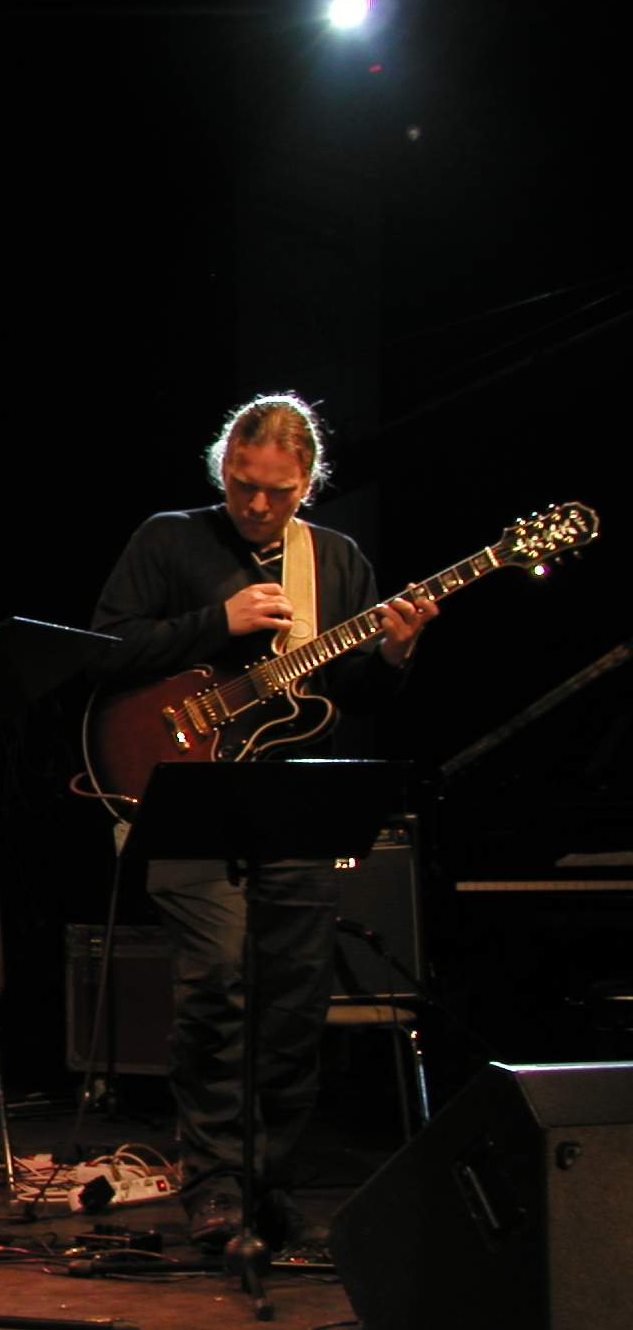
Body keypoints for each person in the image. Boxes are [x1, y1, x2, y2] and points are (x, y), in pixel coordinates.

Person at [90, 393, 435, 1249]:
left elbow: (353, 694)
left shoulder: (337, 561)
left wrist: (395, 651)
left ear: (308, 483)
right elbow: (107, 650)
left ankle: (264, 1181)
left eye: (277, 492)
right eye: (242, 483)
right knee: (217, 980)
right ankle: (213, 1184)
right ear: (223, 467)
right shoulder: (169, 538)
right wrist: (219, 621)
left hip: (293, 803)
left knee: (293, 1001)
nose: (255, 504)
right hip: (185, 793)